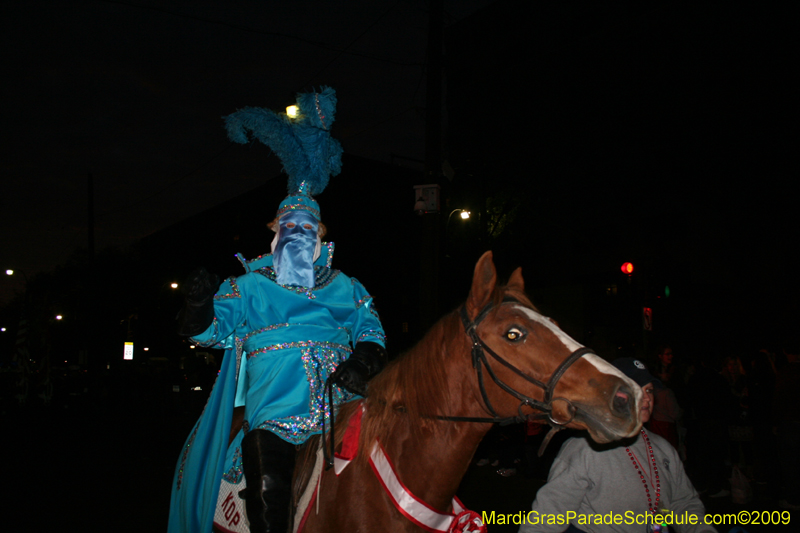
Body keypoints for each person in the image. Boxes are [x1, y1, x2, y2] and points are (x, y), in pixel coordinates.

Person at [168, 87, 388, 533]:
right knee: (268, 483)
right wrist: (196, 307)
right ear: (274, 231)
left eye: (308, 226)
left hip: (345, 403)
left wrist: (364, 359)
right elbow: (209, 333)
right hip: (275, 412)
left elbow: (371, 330)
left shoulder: (346, 286)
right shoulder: (248, 287)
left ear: (321, 235)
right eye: (289, 225)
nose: (298, 233)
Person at [519, 357, 715, 533]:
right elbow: (548, 516)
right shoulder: (584, 449)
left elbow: (683, 502)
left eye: (649, 390)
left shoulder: (663, 448)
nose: (646, 398)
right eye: (636, 389)